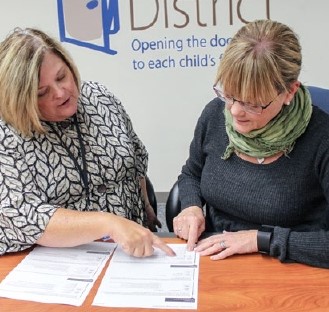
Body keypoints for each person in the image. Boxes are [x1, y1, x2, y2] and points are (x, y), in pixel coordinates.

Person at [0, 27, 173, 258]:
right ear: (21, 99)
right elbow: (23, 214)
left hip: (130, 253)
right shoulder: (8, 133)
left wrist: (147, 208)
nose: (61, 93)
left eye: (62, 77)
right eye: (42, 92)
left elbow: (136, 158)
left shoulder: (100, 98)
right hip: (63, 261)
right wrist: (107, 223)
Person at [173, 19, 329, 268]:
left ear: (289, 92)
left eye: (252, 103)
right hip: (214, 254)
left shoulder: (322, 138)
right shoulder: (215, 116)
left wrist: (260, 239)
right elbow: (191, 173)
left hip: (291, 264)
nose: (234, 112)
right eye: (229, 95)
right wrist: (191, 207)